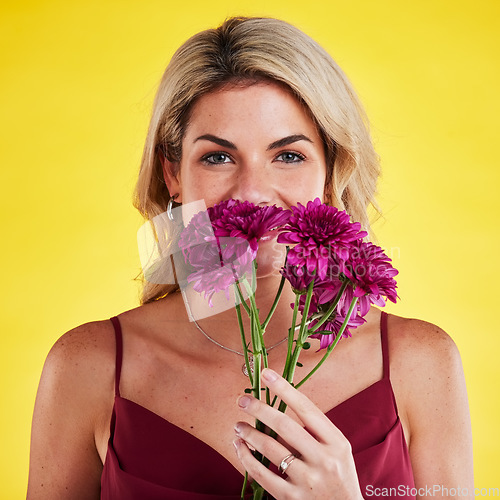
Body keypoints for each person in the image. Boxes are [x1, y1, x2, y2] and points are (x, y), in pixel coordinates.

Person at [27, 17, 473, 499]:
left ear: (330, 172)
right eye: (218, 157)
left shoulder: (423, 364)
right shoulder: (86, 366)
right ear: (173, 174)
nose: (253, 191)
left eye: (288, 156)